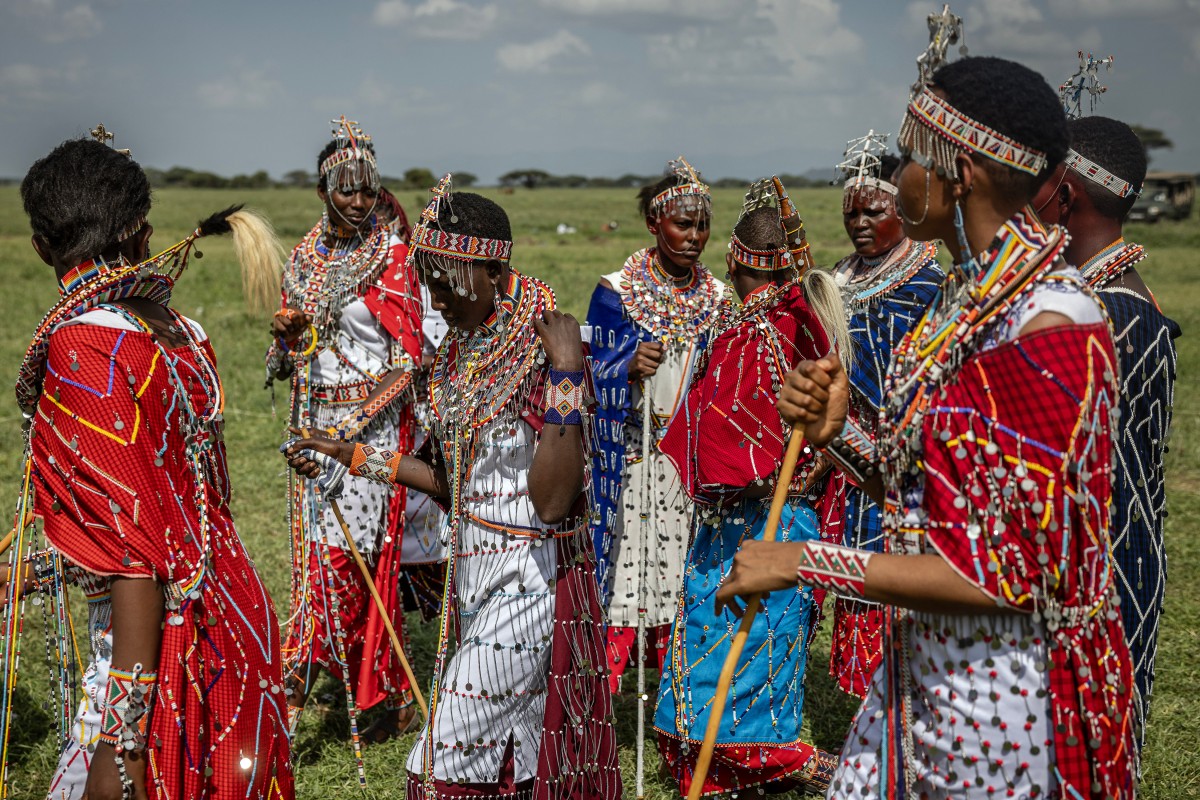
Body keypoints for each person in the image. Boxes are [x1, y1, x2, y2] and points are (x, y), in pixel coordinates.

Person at [716, 57, 1137, 799]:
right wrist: (838, 434)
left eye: (911, 158)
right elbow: (929, 498)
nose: (900, 177)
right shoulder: (964, 301)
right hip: (925, 677)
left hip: (1010, 706)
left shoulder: (1049, 324)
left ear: (958, 173)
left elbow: (1015, 573)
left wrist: (808, 562)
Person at [282, 176, 621, 800]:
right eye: (429, 283)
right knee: (510, 756)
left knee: (440, 762)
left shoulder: (545, 357)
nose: (436, 301)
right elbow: (450, 481)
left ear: (493, 271)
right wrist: (348, 456)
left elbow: (552, 503)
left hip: (530, 581)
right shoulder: (459, 356)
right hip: (474, 570)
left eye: (448, 283)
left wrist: (568, 372)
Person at [6, 135, 293, 799]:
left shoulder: (83, 346)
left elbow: (135, 550)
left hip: (154, 645)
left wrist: (124, 741)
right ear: (143, 235)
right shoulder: (184, 332)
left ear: (42, 249)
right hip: (230, 607)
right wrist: (31, 574)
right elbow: (178, 510)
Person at [654, 183, 847, 796]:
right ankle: (731, 765)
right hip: (774, 519)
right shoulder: (793, 326)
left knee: (739, 653)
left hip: (760, 522)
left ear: (734, 260)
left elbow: (720, 446)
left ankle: (796, 764)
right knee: (747, 656)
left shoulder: (752, 333)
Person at [265, 117, 429, 750]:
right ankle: (387, 695)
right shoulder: (305, 256)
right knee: (323, 558)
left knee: (342, 566)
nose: (359, 201)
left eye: (368, 189)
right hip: (312, 427)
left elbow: (407, 361)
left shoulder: (391, 256)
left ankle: (293, 687)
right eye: (346, 189)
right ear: (322, 191)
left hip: (370, 434)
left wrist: (349, 434)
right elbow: (291, 358)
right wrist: (288, 338)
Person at [1033, 114, 1181, 748]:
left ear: (1065, 194)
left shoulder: (1103, 320)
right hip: (1110, 565)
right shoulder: (1107, 305)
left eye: (1037, 180)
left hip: (1093, 583)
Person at [587, 157, 730, 691]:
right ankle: (599, 705)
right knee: (625, 581)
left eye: (702, 225)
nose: (695, 237)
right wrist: (623, 368)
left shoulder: (718, 299)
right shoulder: (616, 291)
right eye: (683, 224)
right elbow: (583, 373)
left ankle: (677, 703)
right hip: (629, 459)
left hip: (689, 468)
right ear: (654, 223)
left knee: (681, 583)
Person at [828, 138, 943, 698]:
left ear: (904, 210)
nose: (860, 224)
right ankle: (862, 701)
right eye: (851, 213)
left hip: (896, 456)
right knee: (849, 575)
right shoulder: (838, 277)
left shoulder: (928, 286)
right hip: (836, 456)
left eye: (873, 211)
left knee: (892, 573)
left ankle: (897, 702)